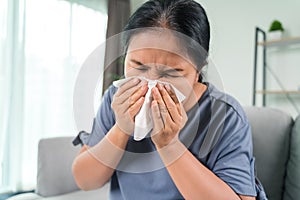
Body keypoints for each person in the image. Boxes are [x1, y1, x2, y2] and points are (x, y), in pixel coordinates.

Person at [72, 0, 267, 199]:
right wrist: (121, 129)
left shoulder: (224, 115)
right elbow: (85, 180)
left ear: (198, 70)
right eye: (138, 65)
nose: (151, 82)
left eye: (171, 73)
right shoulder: (116, 100)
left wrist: (169, 145)